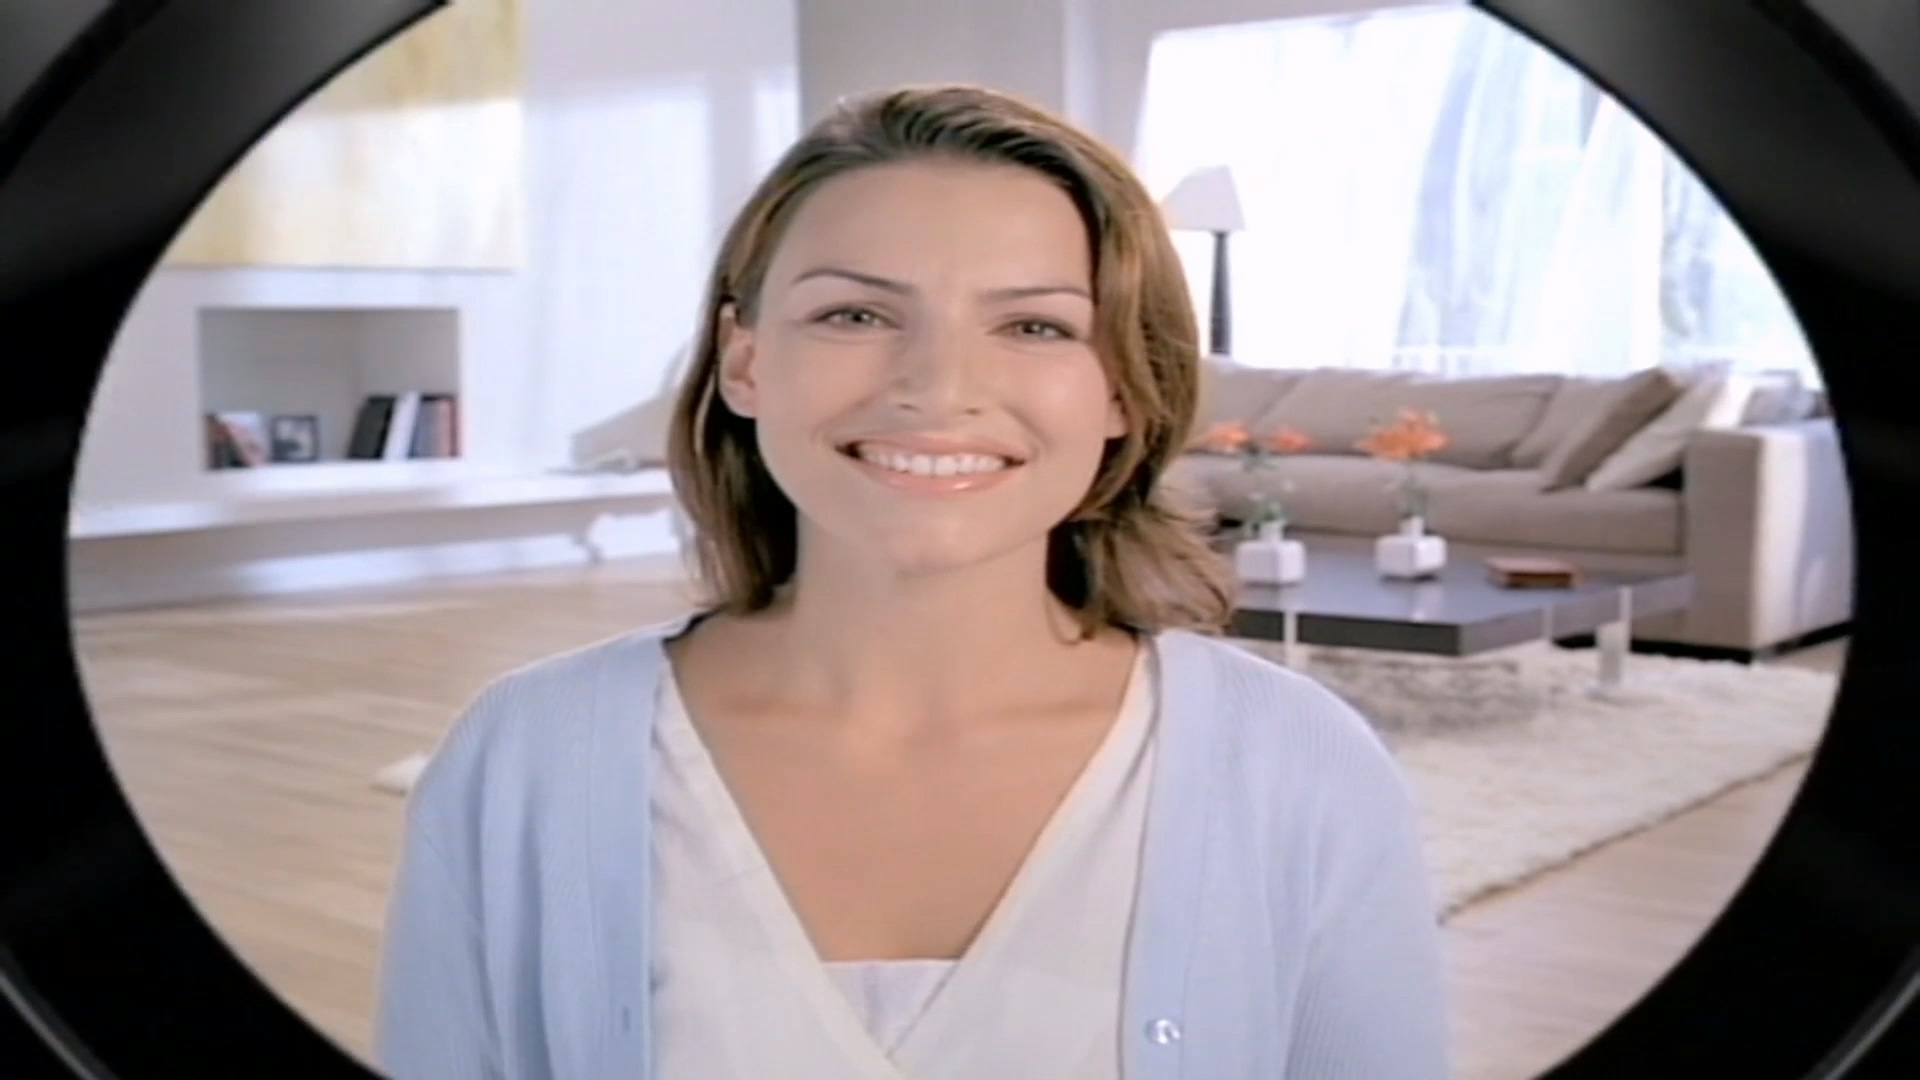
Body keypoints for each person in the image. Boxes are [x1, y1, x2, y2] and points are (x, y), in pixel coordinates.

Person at [373, 83, 1449, 1079]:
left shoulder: (1301, 768)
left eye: (1034, 325)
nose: (938, 386)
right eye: (856, 314)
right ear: (746, 362)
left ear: (1125, 387)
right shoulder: (524, 756)